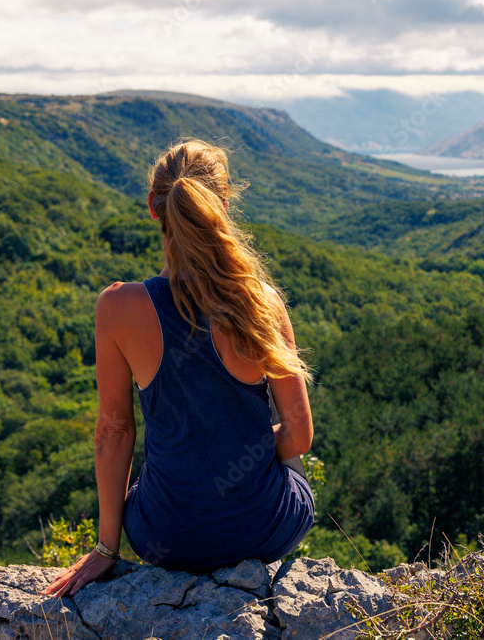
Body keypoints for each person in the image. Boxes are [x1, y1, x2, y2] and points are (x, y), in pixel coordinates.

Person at [43, 139, 315, 598]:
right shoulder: (262, 304)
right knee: (291, 459)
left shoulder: (118, 306)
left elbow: (114, 431)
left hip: (164, 538)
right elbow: (299, 434)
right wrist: (239, 447)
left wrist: (108, 548)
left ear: (153, 207)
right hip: (265, 531)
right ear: (224, 206)